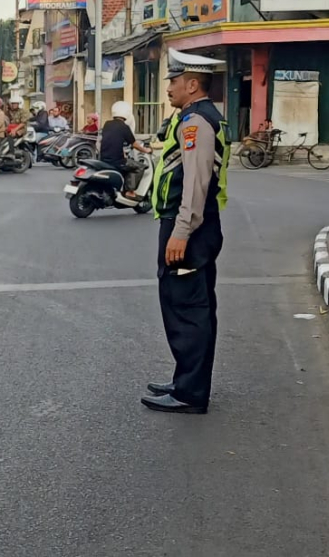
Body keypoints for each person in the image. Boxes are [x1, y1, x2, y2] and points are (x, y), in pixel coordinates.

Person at [143, 48, 229, 415]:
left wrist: (181, 231)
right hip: (197, 226)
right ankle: (187, 381)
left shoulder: (195, 122)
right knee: (193, 305)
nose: (169, 88)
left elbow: (195, 182)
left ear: (192, 85)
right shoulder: (197, 117)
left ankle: (190, 393)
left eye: (174, 81)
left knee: (187, 308)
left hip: (190, 228)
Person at [100, 101, 152, 192]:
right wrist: (146, 150)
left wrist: (122, 151)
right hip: (117, 161)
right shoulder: (124, 127)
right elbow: (134, 144)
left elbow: (112, 139)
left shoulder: (107, 124)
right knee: (140, 167)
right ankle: (129, 191)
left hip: (104, 159)